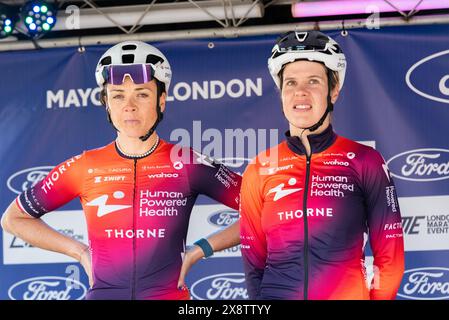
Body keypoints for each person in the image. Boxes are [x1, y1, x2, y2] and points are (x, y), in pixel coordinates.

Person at [1, 41, 241, 300]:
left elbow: (262, 211)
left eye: (142, 93)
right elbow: (13, 219)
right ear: (106, 103)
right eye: (117, 95)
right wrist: (80, 252)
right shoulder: (85, 166)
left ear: (161, 100)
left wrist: (200, 249)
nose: (129, 105)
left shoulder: (188, 162)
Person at [239, 31, 405, 300]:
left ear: (334, 90)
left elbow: (391, 258)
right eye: (290, 82)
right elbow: (253, 263)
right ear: (281, 93)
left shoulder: (365, 160)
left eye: (313, 81)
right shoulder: (259, 168)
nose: (300, 92)